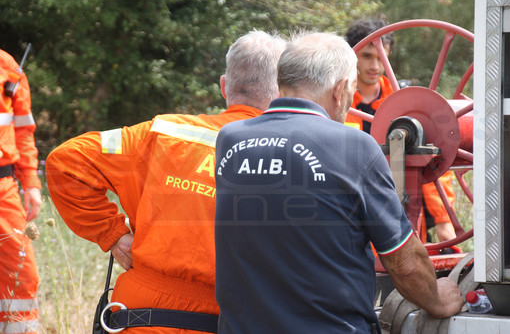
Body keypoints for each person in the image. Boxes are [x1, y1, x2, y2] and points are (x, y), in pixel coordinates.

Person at [214, 32, 464, 334]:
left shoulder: (230, 139)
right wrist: (437, 299)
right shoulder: (354, 146)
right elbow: (405, 264)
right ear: (341, 89)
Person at [45, 30, 286, 333]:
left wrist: (114, 235)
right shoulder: (296, 154)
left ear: (224, 87)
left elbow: (66, 158)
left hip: (141, 314)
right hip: (234, 315)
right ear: (284, 95)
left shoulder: (161, 133)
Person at [345, 19, 457, 243]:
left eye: (380, 57)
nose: (375, 66)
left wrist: (444, 220)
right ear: (352, 55)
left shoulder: (404, 104)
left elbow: (432, 156)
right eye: (367, 56)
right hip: (352, 208)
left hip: (402, 208)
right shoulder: (339, 103)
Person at [0, 48, 41, 334]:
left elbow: (23, 131)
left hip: (3, 188)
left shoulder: (7, 65)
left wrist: (31, 182)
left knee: (21, 271)